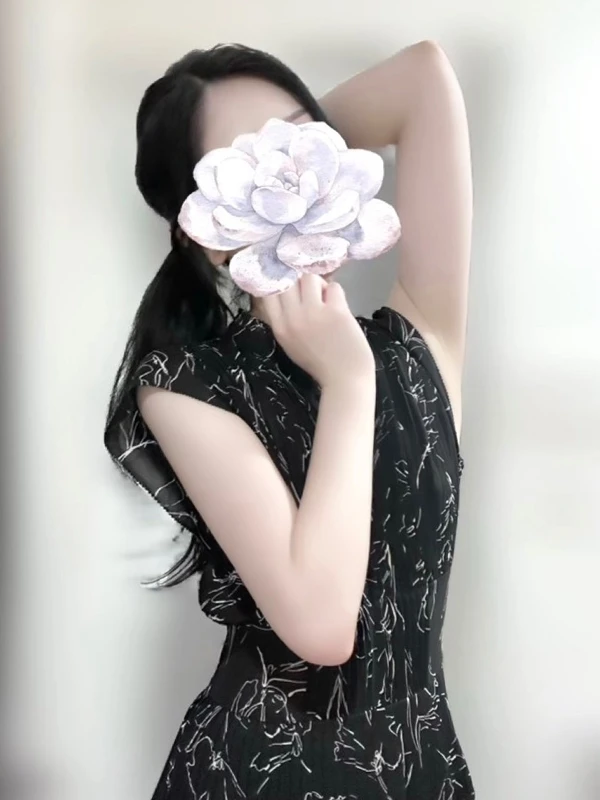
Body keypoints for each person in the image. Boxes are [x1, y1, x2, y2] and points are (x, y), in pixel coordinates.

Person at [104, 39, 474, 800]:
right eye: (246, 166)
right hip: (260, 773)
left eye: (303, 143)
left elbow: (423, 78)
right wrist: (346, 381)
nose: (290, 172)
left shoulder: (420, 337)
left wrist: (296, 170)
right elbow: (322, 625)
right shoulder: (185, 388)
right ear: (197, 227)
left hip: (425, 772)